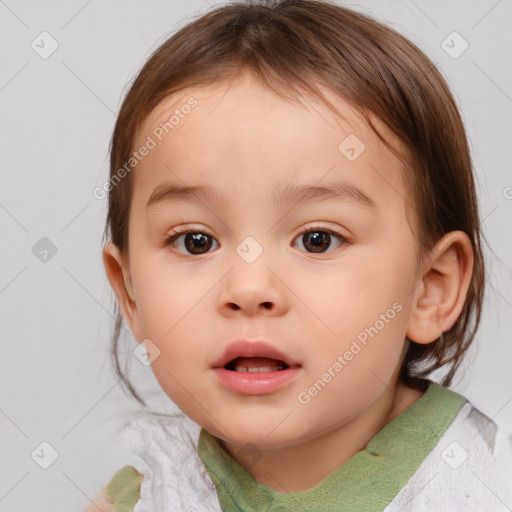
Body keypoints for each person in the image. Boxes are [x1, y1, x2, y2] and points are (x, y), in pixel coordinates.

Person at [84, 0, 512, 510]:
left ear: (429, 288)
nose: (248, 289)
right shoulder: (145, 498)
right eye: (195, 240)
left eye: (317, 240)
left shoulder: (482, 484)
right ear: (129, 291)